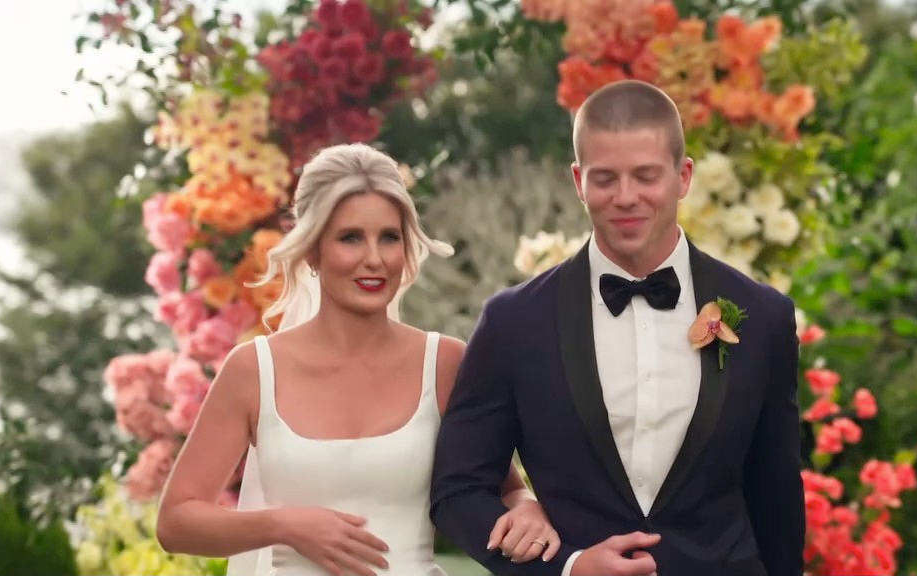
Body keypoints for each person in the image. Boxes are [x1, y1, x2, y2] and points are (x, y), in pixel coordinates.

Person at [430, 79, 805, 576]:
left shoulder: (764, 318)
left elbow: (776, 495)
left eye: (645, 176)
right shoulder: (513, 323)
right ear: (578, 181)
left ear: (684, 176)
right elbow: (458, 492)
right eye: (605, 179)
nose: (625, 197)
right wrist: (567, 567)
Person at [156, 143, 563, 576]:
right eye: (350, 238)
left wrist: (529, 509)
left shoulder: (443, 363)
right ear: (312, 250)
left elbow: (506, 492)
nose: (375, 259)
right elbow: (176, 521)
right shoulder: (253, 370)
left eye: (389, 237)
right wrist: (283, 524)